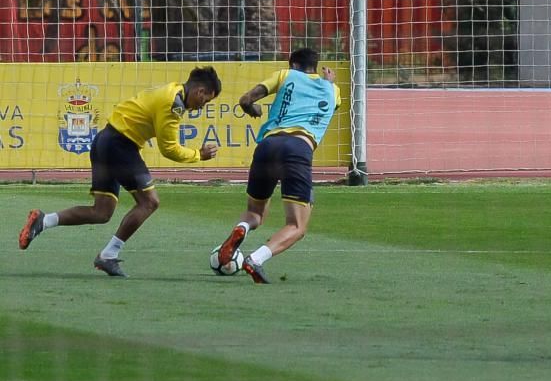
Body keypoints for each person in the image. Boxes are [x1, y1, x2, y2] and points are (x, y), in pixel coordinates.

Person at [18, 66, 222, 277]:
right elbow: (169, 149)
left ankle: (44, 221)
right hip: (120, 145)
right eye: (205, 101)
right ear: (200, 91)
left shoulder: (171, 90)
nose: (201, 106)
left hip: (105, 140)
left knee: (101, 212)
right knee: (149, 202)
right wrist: (199, 154)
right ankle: (109, 255)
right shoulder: (174, 104)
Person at [216, 48, 341, 284]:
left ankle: (242, 227)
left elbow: (245, 100)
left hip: (267, 145)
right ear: (316, 66)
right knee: (296, 225)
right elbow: (328, 106)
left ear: (292, 64)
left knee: (255, 212)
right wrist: (328, 82)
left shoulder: (285, 75)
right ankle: (255, 259)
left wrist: (253, 110)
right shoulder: (333, 89)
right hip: (298, 148)